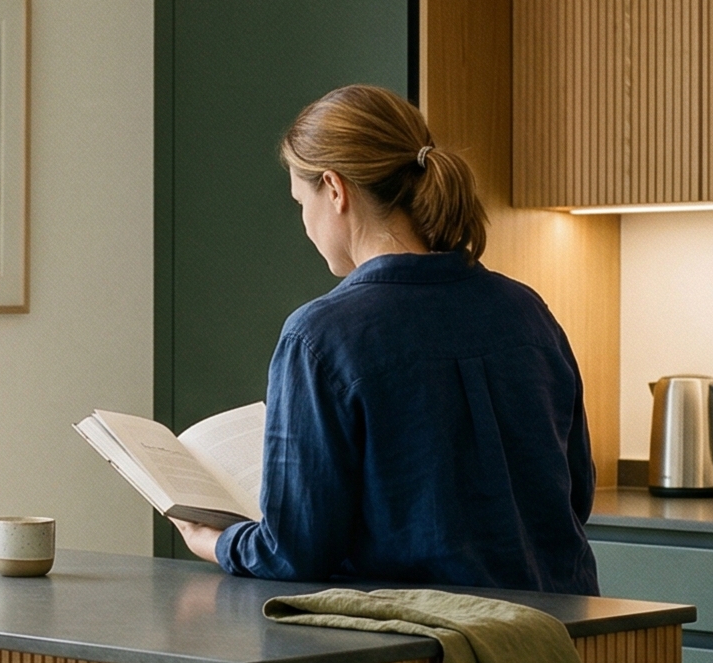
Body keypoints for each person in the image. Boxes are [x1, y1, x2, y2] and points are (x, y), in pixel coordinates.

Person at [171, 84, 599, 595]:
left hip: (419, 655)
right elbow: (575, 497)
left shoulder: (319, 336)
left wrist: (213, 540)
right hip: (558, 641)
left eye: (300, 202)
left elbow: (293, 553)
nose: (305, 225)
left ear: (334, 188)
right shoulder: (528, 311)